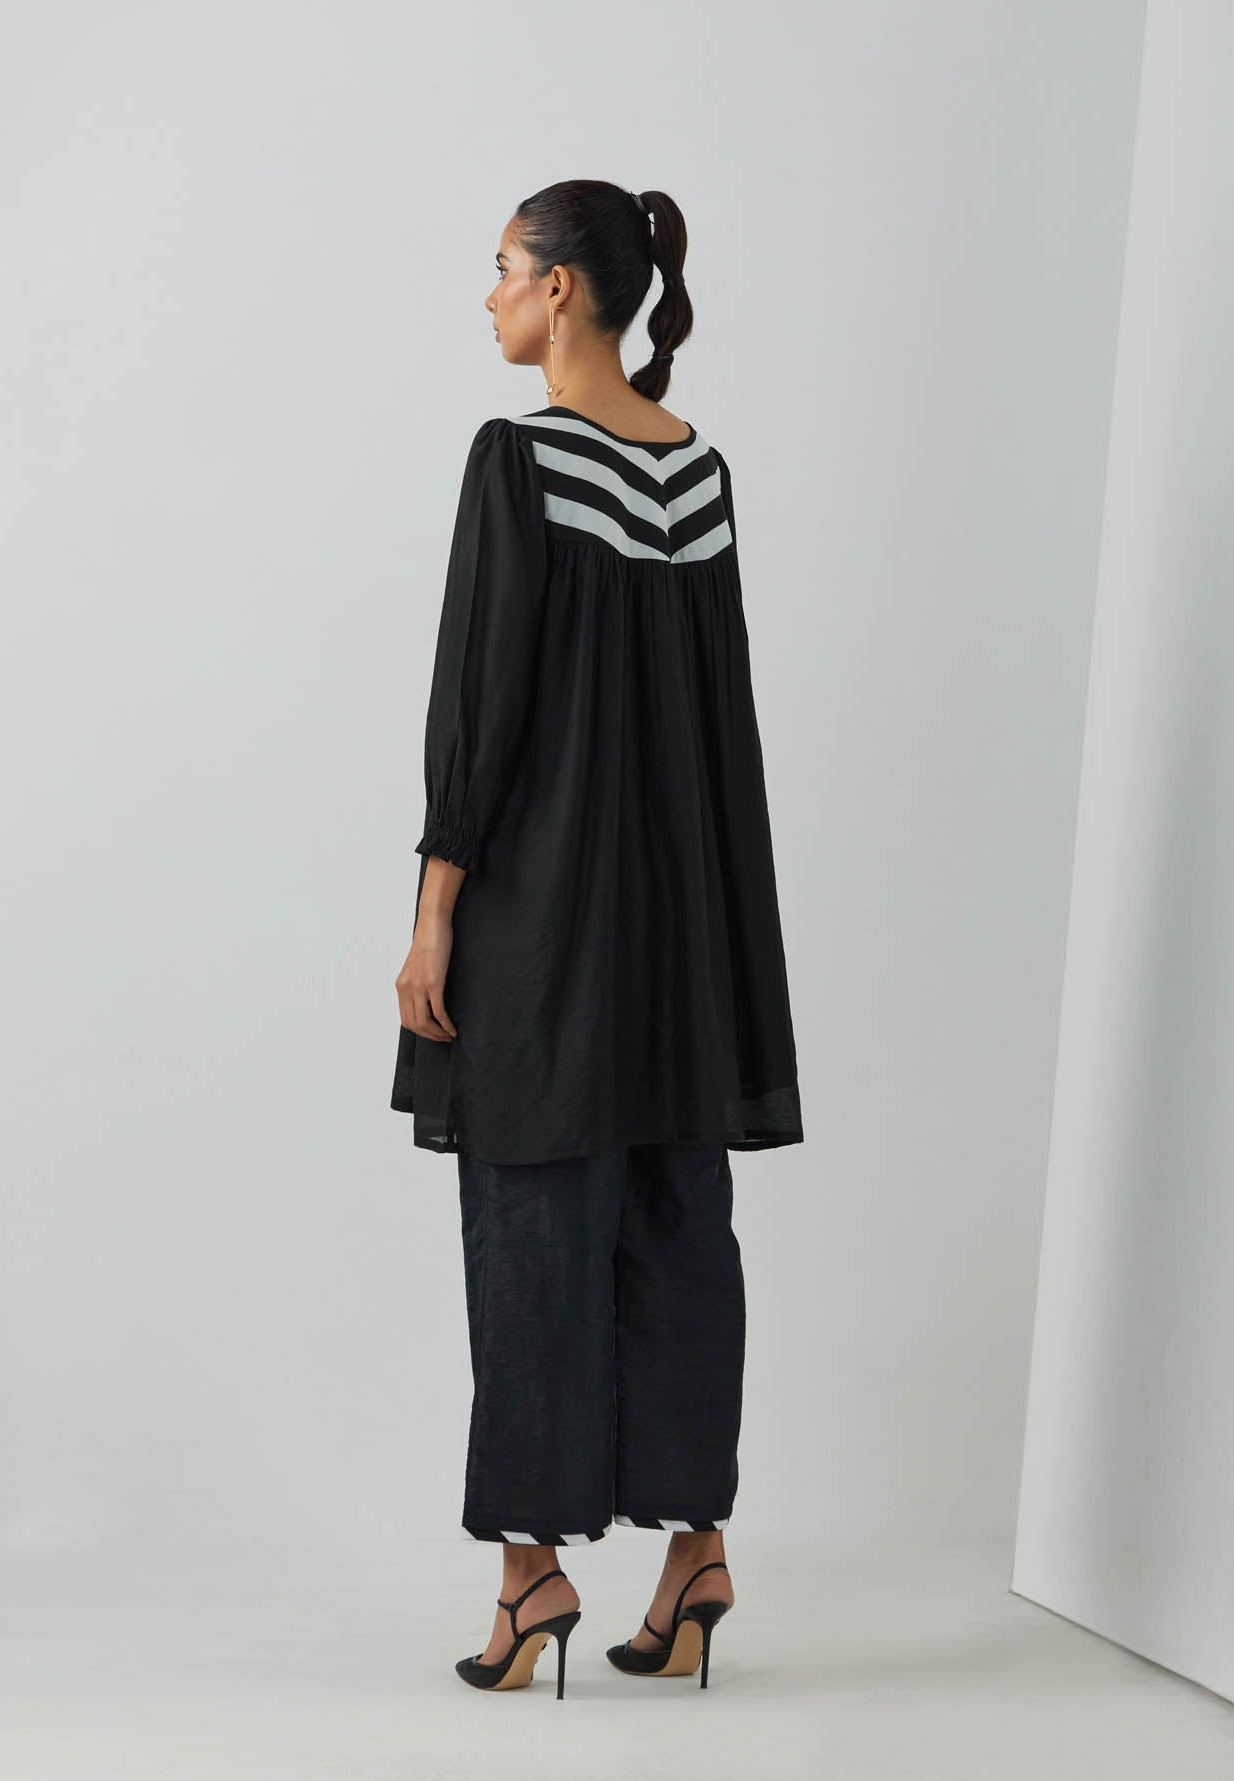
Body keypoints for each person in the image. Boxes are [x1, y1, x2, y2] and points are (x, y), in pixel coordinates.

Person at [392, 180, 803, 1697]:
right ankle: (696, 1554)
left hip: (547, 928)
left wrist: (434, 914)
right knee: (680, 1225)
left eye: (504, 267)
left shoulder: (520, 460)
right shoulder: (699, 474)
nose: (490, 293)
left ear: (562, 287)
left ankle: (532, 1574)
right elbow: (719, 729)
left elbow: (481, 705)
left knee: (533, 1227)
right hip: (681, 933)